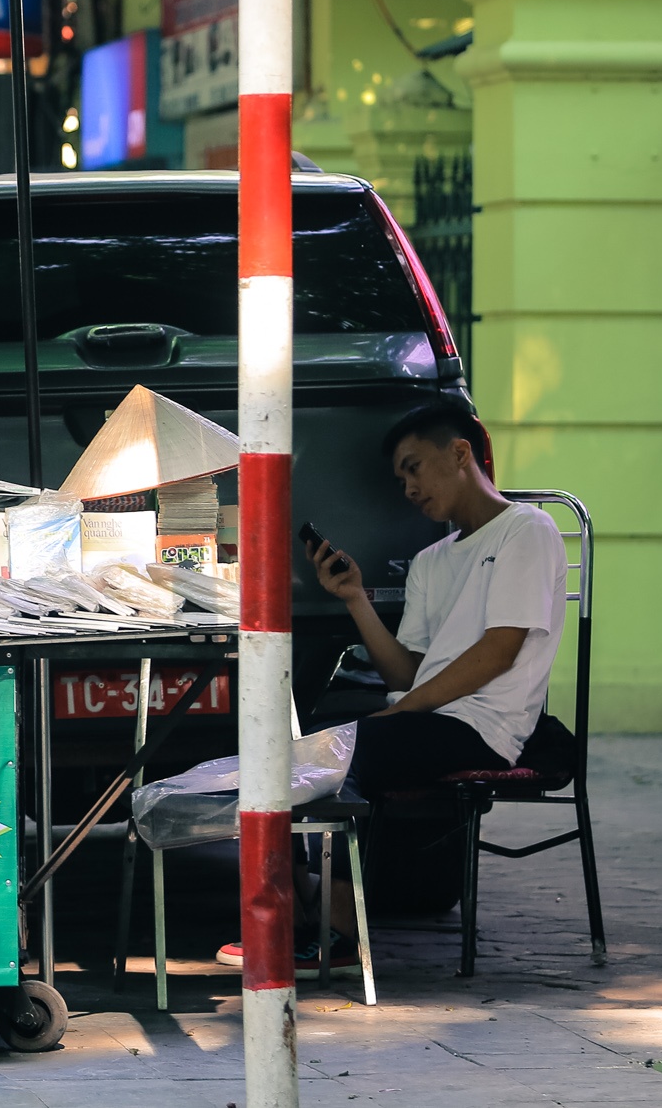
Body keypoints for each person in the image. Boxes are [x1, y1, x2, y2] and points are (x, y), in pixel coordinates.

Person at [218, 398, 567, 975]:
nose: (407, 487)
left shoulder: (527, 530)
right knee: (301, 756)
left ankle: (336, 933)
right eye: (399, 476)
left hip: (483, 728)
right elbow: (406, 674)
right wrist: (354, 597)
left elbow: (498, 652)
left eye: (414, 467)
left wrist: (394, 719)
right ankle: (303, 918)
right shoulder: (431, 561)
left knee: (332, 758)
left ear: (460, 454)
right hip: (429, 717)